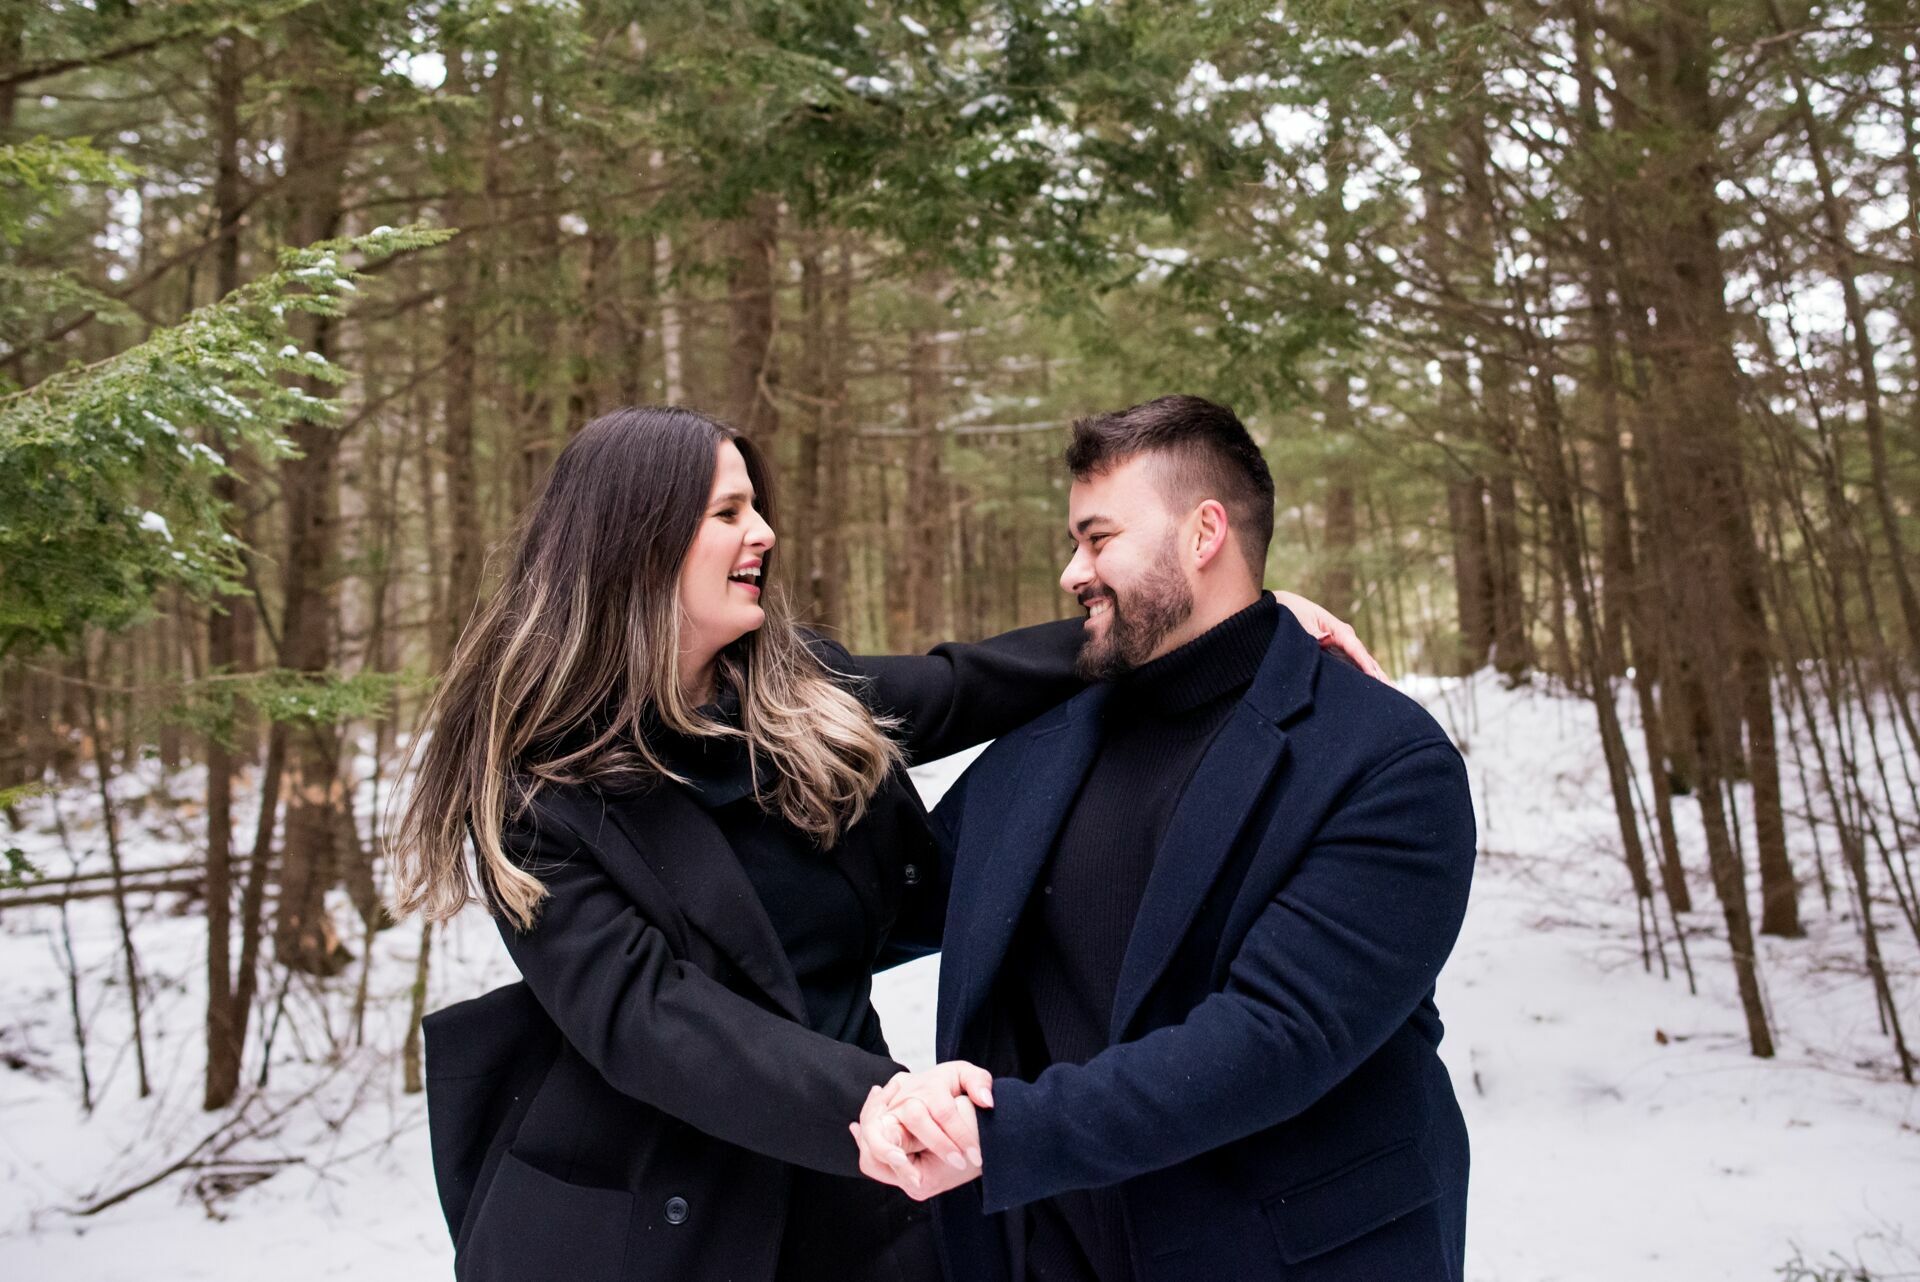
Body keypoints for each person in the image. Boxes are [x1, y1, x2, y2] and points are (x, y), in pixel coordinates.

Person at [390, 405, 1374, 1282]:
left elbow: (966, 682)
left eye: (755, 506)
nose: (764, 532)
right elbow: (653, 1021)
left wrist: (1218, 618)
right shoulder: (538, 790)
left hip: (854, 1199)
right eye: (729, 511)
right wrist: (882, 1102)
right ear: (637, 542)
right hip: (656, 1207)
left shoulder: (790, 686)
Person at [853, 396, 1477, 1282]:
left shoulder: (1383, 760)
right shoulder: (1046, 740)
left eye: (1098, 539)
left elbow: (1277, 1036)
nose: (1073, 571)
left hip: (1285, 1257)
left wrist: (1004, 1133)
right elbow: (883, 909)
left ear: (1204, 533)